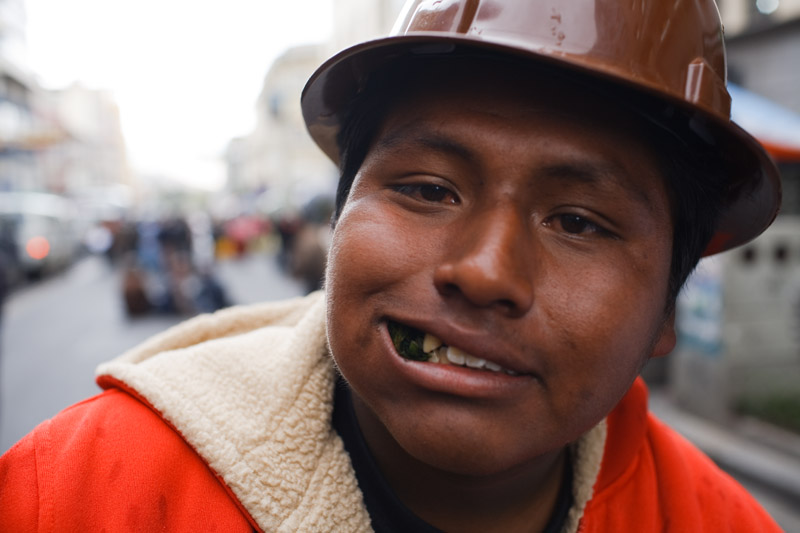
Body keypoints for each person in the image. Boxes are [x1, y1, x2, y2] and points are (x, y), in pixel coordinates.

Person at [0, 1, 784, 531]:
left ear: (667, 314)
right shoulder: (71, 496)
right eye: (427, 189)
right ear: (339, 222)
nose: (483, 270)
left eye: (578, 221)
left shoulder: (711, 517)